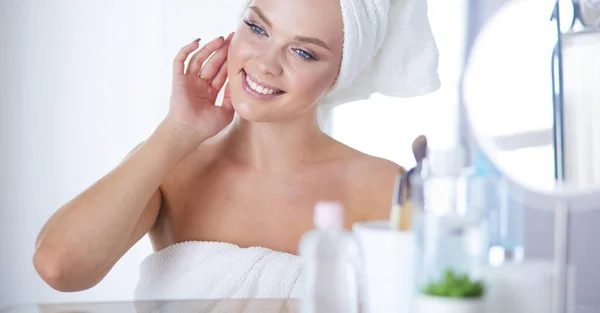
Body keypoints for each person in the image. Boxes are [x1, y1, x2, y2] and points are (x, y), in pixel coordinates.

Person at [33, 0, 439, 299]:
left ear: (339, 72)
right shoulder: (174, 165)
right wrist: (176, 131)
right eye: (258, 28)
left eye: (303, 52)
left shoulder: (387, 187)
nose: (265, 63)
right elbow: (58, 267)